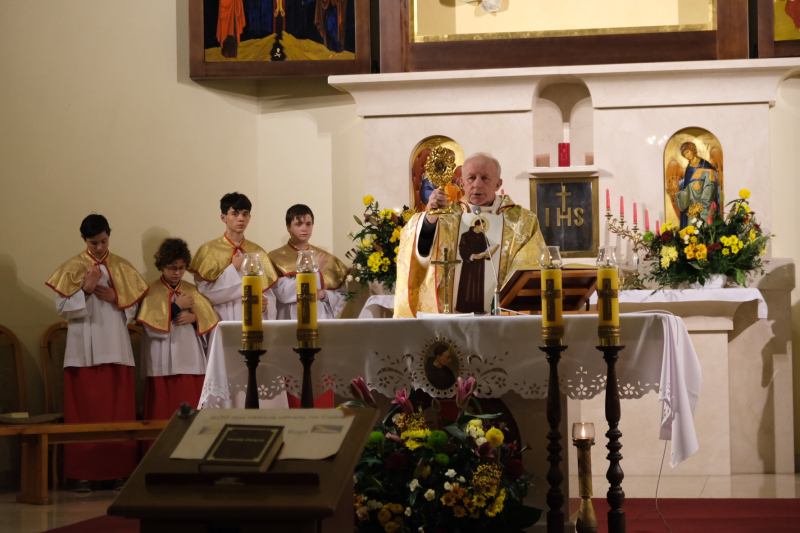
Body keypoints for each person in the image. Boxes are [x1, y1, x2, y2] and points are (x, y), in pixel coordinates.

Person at [45, 214, 148, 492]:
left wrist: (119, 298)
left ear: (108, 235)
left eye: (103, 241)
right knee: (84, 414)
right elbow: (62, 309)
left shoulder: (122, 266)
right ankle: (83, 474)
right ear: (84, 239)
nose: (100, 247)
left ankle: (119, 471)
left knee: (118, 413)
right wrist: (87, 290)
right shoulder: (73, 267)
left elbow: (137, 309)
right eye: (93, 243)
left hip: (116, 348)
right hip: (83, 352)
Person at [394, 152, 546, 317]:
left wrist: (503, 307)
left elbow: (530, 268)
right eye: (471, 178)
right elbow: (421, 254)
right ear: (462, 183)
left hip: (502, 319)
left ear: (498, 184)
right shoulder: (447, 216)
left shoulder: (522, 221)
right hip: (451, 320)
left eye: (485, 178)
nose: (477, 184)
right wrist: (430, 219)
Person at [137, 238, 218, 439]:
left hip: (191, 360)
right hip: (161, 363)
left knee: (192, 413)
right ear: (162, 265)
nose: (177, 273)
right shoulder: (151, 291)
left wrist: (195, 319)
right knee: (162, 413)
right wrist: (176, 307)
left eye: (181, 268)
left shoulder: (192, 290)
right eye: (172, 268)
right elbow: (151, 327)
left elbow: (210, 325)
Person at [189, 192, 279, 325]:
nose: (241, 218)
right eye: (235, 214)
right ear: (223, 217)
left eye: (245, 214)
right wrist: (233, 269)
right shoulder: (209, 250)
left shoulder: (257, 252)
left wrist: (266, 305)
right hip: (222, 320)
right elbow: (205, 293)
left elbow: (268, 294)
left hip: (253, 321)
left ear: (249, 218)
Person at [268, 204, 349, 321]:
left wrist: (324, 295)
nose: (304, 228)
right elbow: (283, 294)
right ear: (288, 227)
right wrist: (312, 269)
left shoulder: (325, 257)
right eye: (298, 224)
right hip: (289, 319)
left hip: (320, 318)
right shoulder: (275, 257)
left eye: (308, 224)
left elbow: (343, 295)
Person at [672, 142, 720, 228]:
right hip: (691, 205)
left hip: (704, 204)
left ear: (692, 150)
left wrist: (702, 204)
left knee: (703, 228)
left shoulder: (705, 165)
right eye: (684, 154)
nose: (686, 155)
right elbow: (687, 187)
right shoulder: (689, 168)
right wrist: (677, 194)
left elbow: (710, 185)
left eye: (687, 152)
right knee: (691, 229)